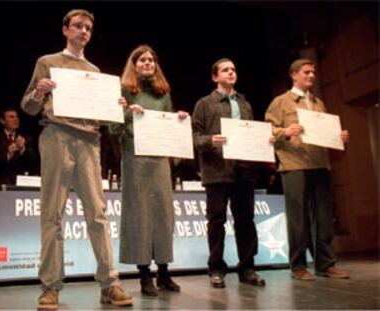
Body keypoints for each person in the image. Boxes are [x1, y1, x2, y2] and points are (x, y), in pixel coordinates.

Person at [20, 9, 132, 309]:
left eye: (89, 29)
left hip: (89, 141)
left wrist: (115, 106)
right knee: (52, 213)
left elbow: (106, 119)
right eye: (78, 27)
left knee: (97, 213)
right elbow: (28, 107)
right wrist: (39, 93)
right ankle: (50, 287)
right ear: (65, 30)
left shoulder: (95, 72)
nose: (84, 32)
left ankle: (110, 284)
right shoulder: (48, 62)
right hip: (56, 136)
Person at [109, 45, 185, 297]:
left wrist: (179, 120)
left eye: (151, 60)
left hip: (160, 159)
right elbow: (111, 127)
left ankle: (163, 272)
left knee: (163, 215)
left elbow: (168, 123)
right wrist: (128, 113)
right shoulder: (124, 89)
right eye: (142, 60)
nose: (147, 63)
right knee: (140, 214)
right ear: (133, 64)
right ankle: (144, 276)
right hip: (135, 158)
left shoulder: (163, 92)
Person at [265, 58, 350, 281]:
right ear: (294, 75)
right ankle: (298, 265)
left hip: (320, 164)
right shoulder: (281, 102)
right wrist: (285, 131)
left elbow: (325, 132)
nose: (311, 76)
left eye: (313, 73)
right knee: (298, 218)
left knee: (323, 216)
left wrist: (338, 137)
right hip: (294, 165)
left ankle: (326, 264)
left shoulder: (319, 103)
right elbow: (268, 130)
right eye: (306, 73)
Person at [192, 58, 266, 289]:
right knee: (217, 221)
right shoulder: (204, 104)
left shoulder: (245, 104)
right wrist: (210, 141)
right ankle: (216, 268)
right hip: (217, 170)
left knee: (245, 221)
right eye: (226, 70)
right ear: (215, 77)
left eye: (233, 69)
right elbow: (193, 137)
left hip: (244, 170)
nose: (231, 72)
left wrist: (264, 141)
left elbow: (251, 134)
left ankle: (247, 268)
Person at [0, 107, 37, 189]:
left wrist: (23, 149)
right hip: (0, 184)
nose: (16, 119)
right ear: (2, 121)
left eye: (17, 117)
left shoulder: (26, 138)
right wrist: (8, 155)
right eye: (11, 117)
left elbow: (34, 161)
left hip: (22, 185)